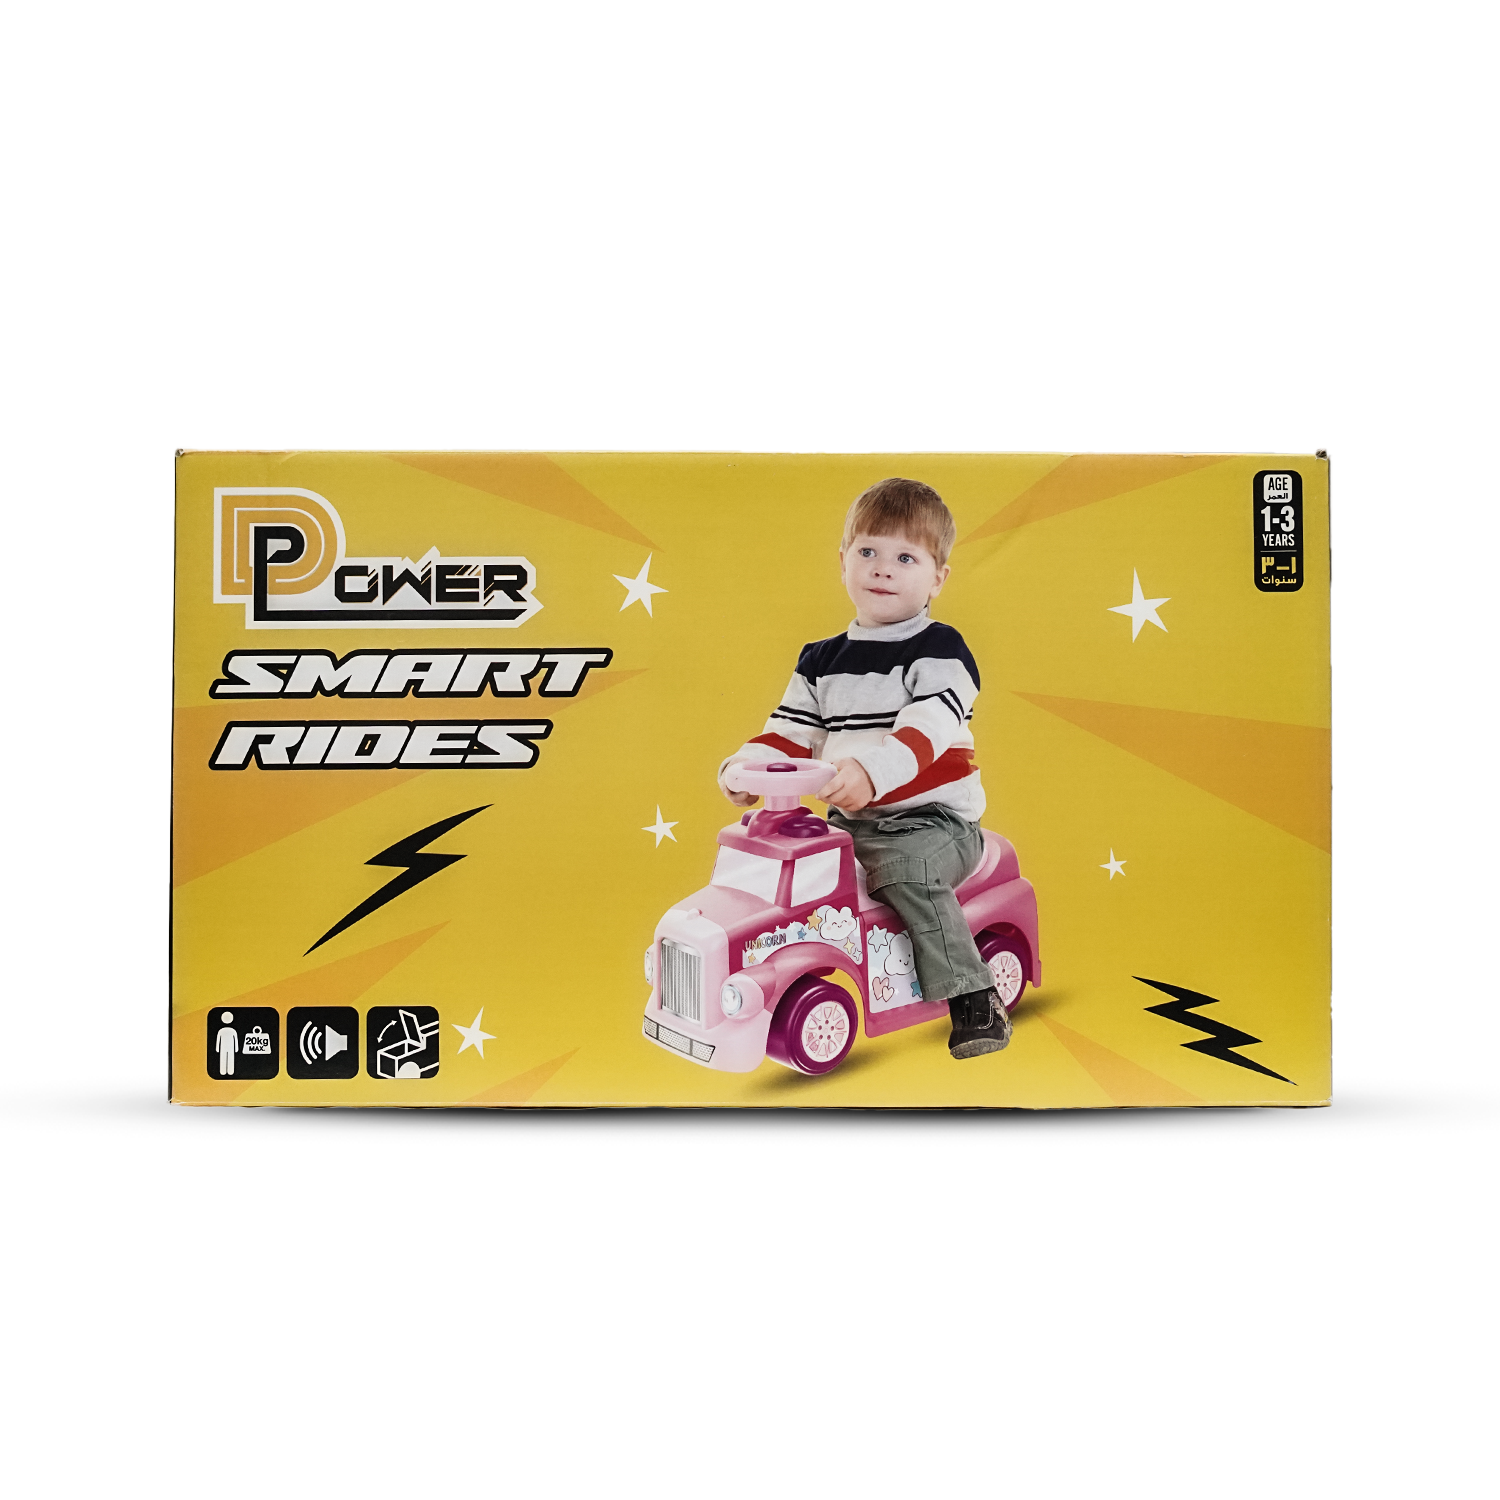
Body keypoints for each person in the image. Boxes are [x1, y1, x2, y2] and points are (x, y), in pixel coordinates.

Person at [718, 477, 1011, 1059]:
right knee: (788, 874)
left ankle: (974, 996)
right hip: (853, 823)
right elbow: (791, 732)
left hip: (933, 822)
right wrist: (748, 766)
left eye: (906, 558)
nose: (882, 569)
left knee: (907, 873)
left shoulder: (941, 650)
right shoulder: (820, 660)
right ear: (844, 561)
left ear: (937, 578)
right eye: (869, 551)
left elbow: (928, 728)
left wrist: (873, 773)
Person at [215, 1011, 239, 1076]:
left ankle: (229, 1071)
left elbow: (236, 1040)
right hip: (225, 1047)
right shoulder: (230, 1030)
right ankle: (224, 1071)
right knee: (224, 1058)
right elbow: (218, 1040)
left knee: (228, 1058)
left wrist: (236, 1048)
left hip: (228, 1047)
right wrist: (217, 1048)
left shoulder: (223, 1030)